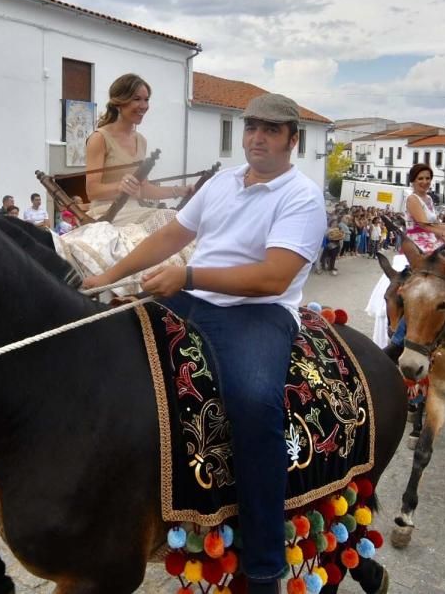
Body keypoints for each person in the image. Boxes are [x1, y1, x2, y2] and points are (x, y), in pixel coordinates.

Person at [83, 93, 325, 592]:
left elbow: (273, 278)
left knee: (255, 404)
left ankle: (262, 567)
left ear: (292, 141)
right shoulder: (222, 183)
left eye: (271, 130)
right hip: (192, 295)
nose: (257, 137)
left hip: (256, 314)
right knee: (107, 346)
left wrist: (189, 274)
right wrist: (106, 276)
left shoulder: (302, 195)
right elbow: (170, 235)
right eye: (252, 127)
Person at [84, 74, 191, 224]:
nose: (144, 106)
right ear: (119, 102)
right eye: (137, 99)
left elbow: (143, 189)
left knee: (178, 221)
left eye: (146, 100)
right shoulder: (99, 138)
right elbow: (92, 191)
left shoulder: (141, 140)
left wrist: (179, 191)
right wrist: (119, 187)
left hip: (134, 212)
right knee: (168, 219)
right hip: (106, 213)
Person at [403, 163, 445, 254]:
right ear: (413, 181)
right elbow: (424, 225)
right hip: (418, 242)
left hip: (431, 238)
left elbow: (436, 223)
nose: (425, 182)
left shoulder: (428, 198)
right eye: (420, 178)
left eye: (428, 178)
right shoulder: (412, 199)